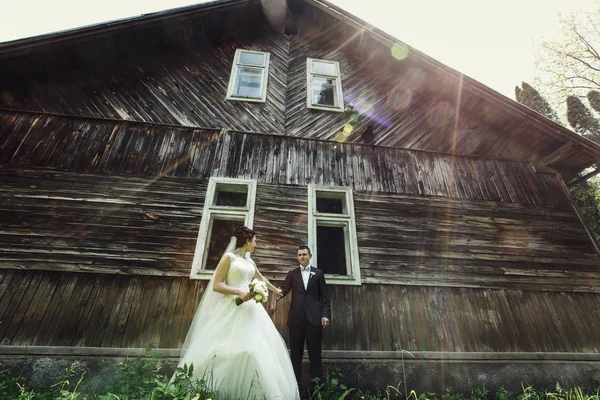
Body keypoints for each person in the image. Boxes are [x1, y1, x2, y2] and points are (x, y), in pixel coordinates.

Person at [175, 226, 299, 400]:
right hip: (231, 306)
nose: (256, 245)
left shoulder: (250, 262)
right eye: (255, 241)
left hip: (251, 310)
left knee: (256, 348)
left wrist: (274, 290)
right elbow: (217, 285)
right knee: (224, 348)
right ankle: (214, 390)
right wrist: (238, 292)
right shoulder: (229, 258)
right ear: (248, 241)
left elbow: (260, 278)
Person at [278, 245, 331, 389]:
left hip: (314, 320)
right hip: (296, 320)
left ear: (310, 256)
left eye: (304, 254)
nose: (302, 257)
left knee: (315, 355)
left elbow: (325, 297)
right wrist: (275, 292)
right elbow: (284, 289)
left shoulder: (318, 274)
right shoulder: (292, 274)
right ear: (297, 257)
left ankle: (317, 389)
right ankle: (295, 388)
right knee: (295, 355)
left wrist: (325, 315)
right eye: (299, 255)